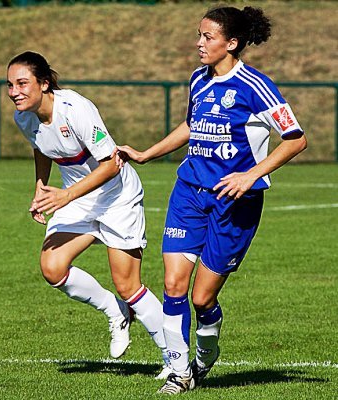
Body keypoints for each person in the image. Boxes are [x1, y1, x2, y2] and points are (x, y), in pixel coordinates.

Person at [115, 5, 307, 394]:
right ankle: (179, 370)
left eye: (208, 37)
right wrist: (148, 153)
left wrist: (252, 174)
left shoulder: (256, 86)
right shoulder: (197, 80)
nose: (199, 43)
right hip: (189, 192)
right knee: (173, 283)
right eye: (199, 35)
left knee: (202, 298)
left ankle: (207, 349)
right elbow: (191, 124)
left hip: (235, 202)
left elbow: (296, 139)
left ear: (231, 43)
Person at [6, 51, 171, 378]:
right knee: (52, 268)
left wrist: (66, 195)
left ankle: (174, 358)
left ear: (44, 83)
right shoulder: (24, 117)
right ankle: (116, 312)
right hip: (77, 199)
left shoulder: (77, 110)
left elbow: (111, 163)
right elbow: (41, 147)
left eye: (22, 83)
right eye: (10, 85)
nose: (14, 92)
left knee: (128, 285)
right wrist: (41, 186)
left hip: (116, 198)